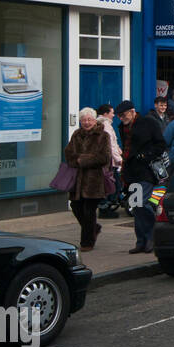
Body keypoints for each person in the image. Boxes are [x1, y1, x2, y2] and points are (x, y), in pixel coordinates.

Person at [116, 100, 167, 254]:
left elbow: (160, 144)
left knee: (142, 203)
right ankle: (141, 241)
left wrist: (145, 155)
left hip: (145, 170)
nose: (121, 118)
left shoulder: (148, 123)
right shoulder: (122, 127)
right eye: (119, 116)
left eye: (124, 115)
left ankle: (153, 236)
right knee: (135, 205)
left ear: (132, 111)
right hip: (131, 172)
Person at [64, 108, 111, 252]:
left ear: (95, 120)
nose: (86, 122)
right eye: (83, 120)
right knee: (76, 207)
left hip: (94, 181)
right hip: (77, 181)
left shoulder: (103, 135)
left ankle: (87, 242)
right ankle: (94, 228)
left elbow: (104, 158)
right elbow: (68, 153)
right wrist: (76, 160)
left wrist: (82, 159)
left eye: (89, 120)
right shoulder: (77, 134)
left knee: (89, 211)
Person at [95, 104, 125, 218]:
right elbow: (110, 145)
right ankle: (105, 209)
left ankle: (105, 208)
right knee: (113, 186)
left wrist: (118, 150)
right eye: (112, 112)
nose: (113, 115)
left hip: (105, 161)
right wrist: (119, 159)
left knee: (107, 185)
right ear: (106, 114)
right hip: (108, 161)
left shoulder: (102, 124)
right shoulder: (105, 125)